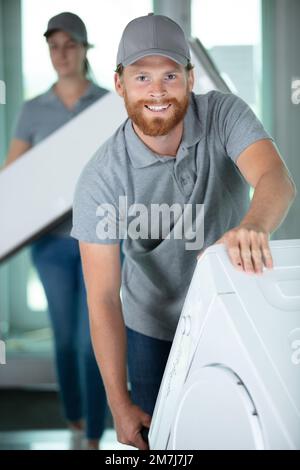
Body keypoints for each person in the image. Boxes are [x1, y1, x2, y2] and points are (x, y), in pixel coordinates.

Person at [71, 13, 297, 450]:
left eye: (170, 74)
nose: (157, 90)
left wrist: (251, 226)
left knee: (247, 433)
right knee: (168, 449)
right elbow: (101, 297)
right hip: (151, 329)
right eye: (141, 77)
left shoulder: (224, 114)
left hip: (233, 309)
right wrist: (119, 403)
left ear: (190, 78)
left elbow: (276, 178)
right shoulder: (101, 179)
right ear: (119, 84)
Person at [4, 12, 108, 450]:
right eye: (54, 46)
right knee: (65, 339)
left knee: (93, 341)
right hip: (50, 246)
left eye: (70, 45)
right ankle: (74, 417)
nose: (61, 54)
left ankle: (97, 431)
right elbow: (13, 175)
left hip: (100, 239)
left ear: (85, 50)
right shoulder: (34, 109)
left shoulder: (109, 103)